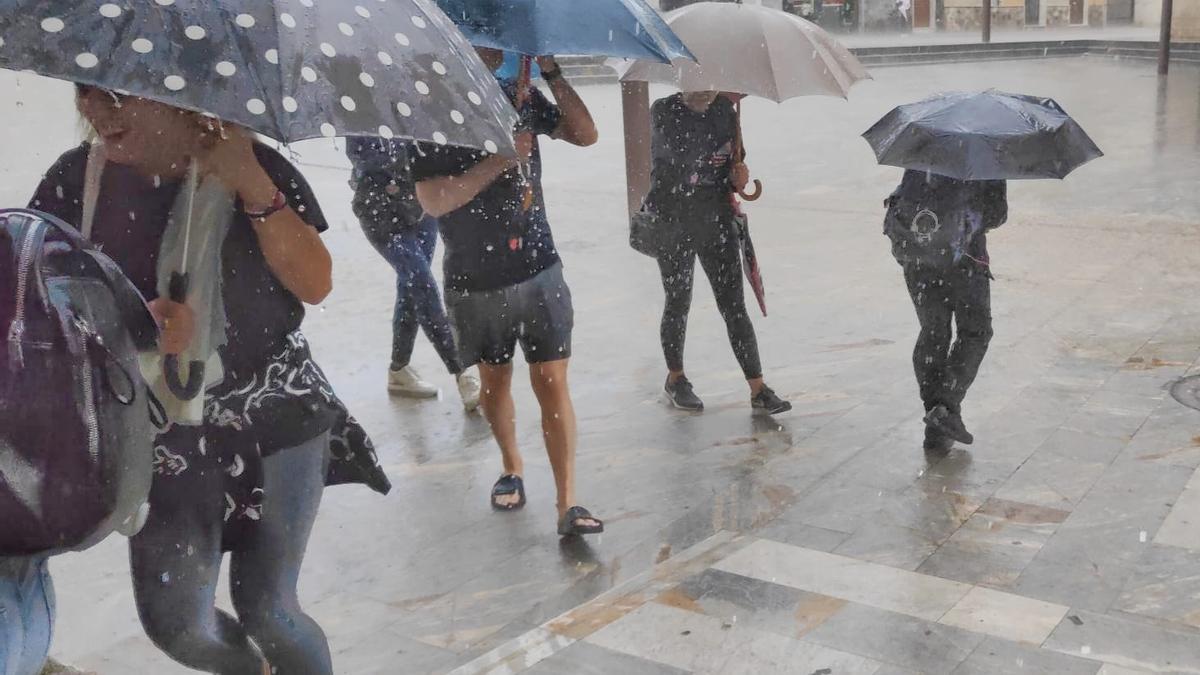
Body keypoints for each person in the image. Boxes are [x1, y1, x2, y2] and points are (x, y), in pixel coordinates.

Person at [30, 84, 389, 674]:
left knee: (271, 609)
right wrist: (129, 323)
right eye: (87, 92)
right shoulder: (76, 181)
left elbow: (316, 285)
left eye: (119, 96)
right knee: (178, 624)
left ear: (171, 94)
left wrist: (250, 181)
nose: (97, 111)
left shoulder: (251, 160)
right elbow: (40, 298)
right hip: (157, 435)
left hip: (276, 412)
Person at [412, 49, 603, 537]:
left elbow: (585, 134)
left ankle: (568, 502)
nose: (497, 45)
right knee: (495, 382)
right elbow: (434, 200)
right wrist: (500, 161)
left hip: (540, 265)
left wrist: (553, 72)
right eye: (484, 35)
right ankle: (512, 465)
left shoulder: (519, 96)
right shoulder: (432, 110)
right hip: (475, 279)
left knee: (552, 381)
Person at [643, 90, 792, 416]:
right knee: (678, 298)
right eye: (696, 81)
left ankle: (758, 388)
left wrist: (739, 176)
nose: (704, 90)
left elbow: (732, 161)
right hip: (673, 218)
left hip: (716, 220)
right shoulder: (664, 110)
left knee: (734, 305)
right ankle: (676, 378)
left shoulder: (726, 110)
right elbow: (678, 157)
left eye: (711, 81)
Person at [346, 137, 482, 408]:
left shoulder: (416, 104)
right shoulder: (359, 106)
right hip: (380, 214)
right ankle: (461, 372)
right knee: (421, 284)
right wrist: (413, 156)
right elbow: (364, 157)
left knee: (411, 289)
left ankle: (399, 370)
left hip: (420, 208)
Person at [882, 170, 1006, 454]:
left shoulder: (927, 140)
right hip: (965, 258)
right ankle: (946, 408)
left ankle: (936, 421)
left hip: (918, 253)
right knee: (975, 331)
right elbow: (996, 213)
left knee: (933, 331)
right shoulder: (984, 152)